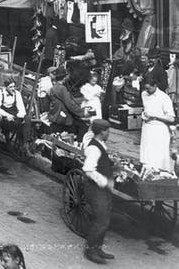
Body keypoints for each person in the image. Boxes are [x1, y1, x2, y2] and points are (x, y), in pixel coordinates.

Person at [82, 119, 116, 264]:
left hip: (102, 190)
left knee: (105, 219)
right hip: (95, 189)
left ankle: (98, 248)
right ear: (102, 131)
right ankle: (90, 251)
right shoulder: (94, 148)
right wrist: (105, 182)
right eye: (107, 130)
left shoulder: (101, 144)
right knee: (101, 221)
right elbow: (88, 169)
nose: (109, 133)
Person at [140, 76, 176, 172]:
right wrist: (144, 114)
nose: (147, 90)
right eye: (145, 88)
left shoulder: (164, 98)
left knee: (158, 157)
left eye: (149, 88)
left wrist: (155, 116)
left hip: (159, 129)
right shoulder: (144, 94)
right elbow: (146, 108)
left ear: (155, 85)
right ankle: (147, 174)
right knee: (147, 154)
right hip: (147, 128)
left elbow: (171, 118)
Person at [49, 68, 90, 139]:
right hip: (61, 116)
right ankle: (78, 144)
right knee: (83, 126)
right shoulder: (62, 89)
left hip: (55, 114)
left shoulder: (54, 88)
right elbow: (70, 105)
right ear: (64, 78)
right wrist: (82, 113)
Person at [0, 79, 26, 147]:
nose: (13, 89)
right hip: (3, 112)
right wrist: (7, 115)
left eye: (14, 86)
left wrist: (19, 116)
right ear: (5, 87)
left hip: (13, 112)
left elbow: (21, 107)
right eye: (10, 87)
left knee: (26, 120)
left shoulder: (17, 93)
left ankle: (24, 144)